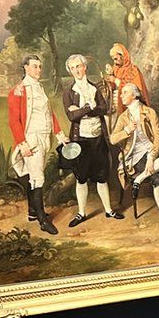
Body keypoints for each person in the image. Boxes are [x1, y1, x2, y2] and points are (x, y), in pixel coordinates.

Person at [8, 54, 68, 235]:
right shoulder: (18, 90)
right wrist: (22, 143)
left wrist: (59, 134)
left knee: (34, 174)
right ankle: (42, 219)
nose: (39, 70)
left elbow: (49, 114)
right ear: (25, 67)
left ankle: (33, 211)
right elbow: (14, 121)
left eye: (40, 67)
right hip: (30, 138)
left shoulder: (40, 87)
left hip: (43, 136)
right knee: (37, 177)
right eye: (35, 66)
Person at [62, 54, 124, 226]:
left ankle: (109, 211)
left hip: (98, 138)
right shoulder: (68, 91)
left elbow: (103, 108)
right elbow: (71, 115)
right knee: (81, 178)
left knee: (102, 176)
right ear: (70, 71)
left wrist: (83, 110)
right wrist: (89, 108)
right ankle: (81, 213)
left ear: (85, 67)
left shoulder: (94, 88)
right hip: (81, 140)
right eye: (73, 68)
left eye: (79, 66)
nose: (77, 70)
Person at [110, 83, 159, 238]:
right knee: (156, 177)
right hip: (136, 155)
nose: (121, 96)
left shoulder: (149, 112)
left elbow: (158, 136)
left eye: (124, 93)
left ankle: (139, 180)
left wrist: (152, 157)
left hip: (153, 150)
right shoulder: (123, 117)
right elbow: (113, 139)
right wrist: (127, 131)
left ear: (134, 95)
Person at [107, 43, 150, 118]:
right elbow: (111, 87)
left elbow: (136, 90)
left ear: (123, 57)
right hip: (115, 106)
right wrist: (110, 75)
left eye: (116, 59)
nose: (114, 62)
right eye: (113, 59)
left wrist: (116, 81)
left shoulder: (134, 70)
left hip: (131, 106)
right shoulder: (115, 68)